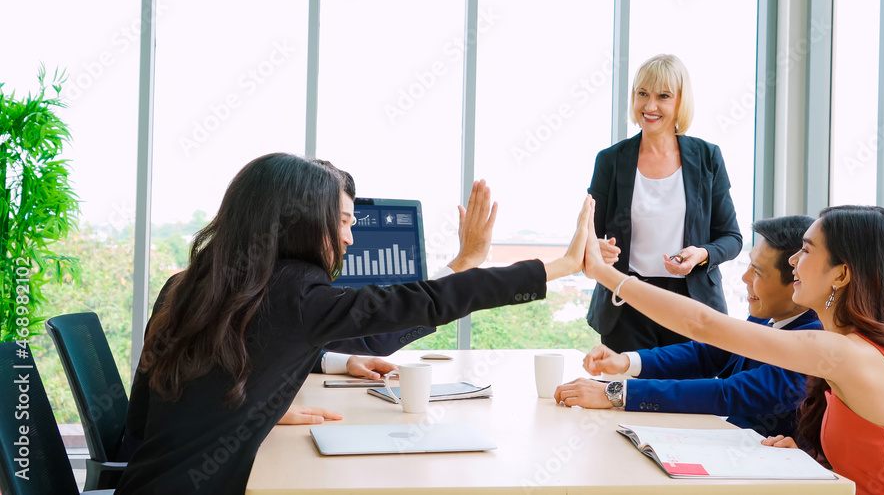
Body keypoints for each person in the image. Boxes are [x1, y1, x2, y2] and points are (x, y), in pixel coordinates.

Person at [118, 153, 590, 495]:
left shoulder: (192, 283)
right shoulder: (297, 293)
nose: (347, 238)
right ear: (300, 222)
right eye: (341, 222)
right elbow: (422, 303)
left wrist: (251, 406)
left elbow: (145, 416)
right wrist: (561, 266)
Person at [580, 201, 884, 495]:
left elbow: (704, 324)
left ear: (842, 274)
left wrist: (605, 274)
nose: (794, 259)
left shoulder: (848, 353)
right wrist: (813, 457)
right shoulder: (854, 350)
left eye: (807, 251)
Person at [555, 215, 820, 438]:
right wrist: (626, 362)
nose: (744, 277)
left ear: (797, 279)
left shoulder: (815, 338)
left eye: (758, 272)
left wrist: (615, 393)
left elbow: (728, 393)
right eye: (750, 265)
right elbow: (708, 354)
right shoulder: (770, 315)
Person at [284, 178, 499, 425]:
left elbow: (292, 339)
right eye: (342, 221)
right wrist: (465, 262)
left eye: (351, 223)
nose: (350, 240)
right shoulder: (292, 290)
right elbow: (376, 335)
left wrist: (343, 361)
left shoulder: (271, 282)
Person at [586, 54, 742, 352]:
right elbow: (586, 238)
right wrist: (596, 247)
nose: (650, 106)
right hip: (626, 303)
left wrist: (702, 254)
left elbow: (732, 238)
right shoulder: (611, 161)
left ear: (680, 101)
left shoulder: (708, 157)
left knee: (689, 395)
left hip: (690, 302)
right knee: (628, 396)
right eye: (642, 94)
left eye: (663, 96)